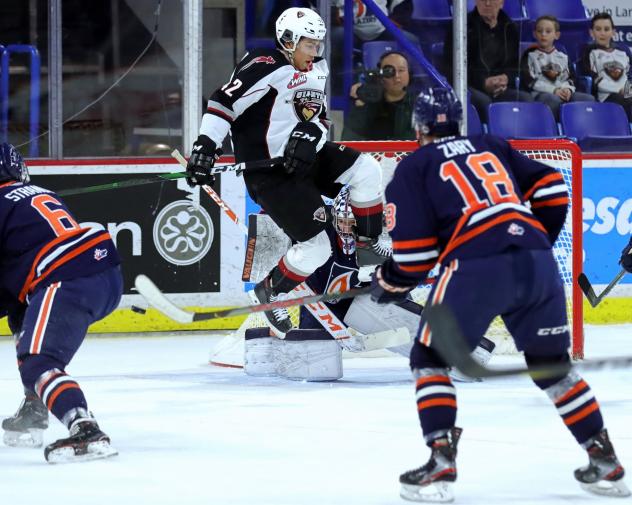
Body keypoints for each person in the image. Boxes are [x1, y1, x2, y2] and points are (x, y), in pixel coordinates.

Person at [369, 87, 629, 501]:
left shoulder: (414, 167)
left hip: (476, 266)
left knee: (430, 358)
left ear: (417, 127)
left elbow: (416, 258)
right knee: (552, 367)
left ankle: (440, 464)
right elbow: (551, 187)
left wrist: (389, 282)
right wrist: (536, 239)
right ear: (459, 122)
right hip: (538, 262)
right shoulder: (490, 143)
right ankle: (605, 460)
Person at [185, 7, 386, 338]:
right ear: (289, 40)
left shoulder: (316, 69)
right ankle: (271, 294)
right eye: (309, 44)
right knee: (316, 249)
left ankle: (367, 249)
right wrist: (206, 146)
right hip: (270, 173)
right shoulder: (265, 63)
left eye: (319, 44)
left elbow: (318, 120)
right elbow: (223, 102)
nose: (316, 51)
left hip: (309, 161)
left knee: (367, 170)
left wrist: (312, 137)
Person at [0, 143, 123, 463]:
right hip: (103, 271)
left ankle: (85, 429)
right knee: (23, 316)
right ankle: (35, 404)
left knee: (38, 362)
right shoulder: (34, 194)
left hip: (65, 276)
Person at [443, 0, 533, 123]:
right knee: (484, 102)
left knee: (526, 100)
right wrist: (483, 83)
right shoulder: (461, 25)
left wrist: (506, 78)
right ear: (476, 2)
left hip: (500, 87)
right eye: (483, 0)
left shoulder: (510, 27)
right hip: (471, 85)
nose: (487, 3)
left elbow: (514, 65)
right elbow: (452, 66)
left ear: (501, 3)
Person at [520, 15, 595, 120]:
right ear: (534, 34)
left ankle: (580, 130)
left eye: (548, 31)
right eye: (539, 31)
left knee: (586, 99)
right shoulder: (529, 55)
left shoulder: (563, 57)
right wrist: (554, 90)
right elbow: (529, 81)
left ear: (557, 35)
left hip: (562, 91)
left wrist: (567, 89)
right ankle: (551, 131)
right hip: (541, 94)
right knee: (552, 100)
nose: (543, 34)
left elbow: (571, 79)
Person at [342, 51, 417, 141]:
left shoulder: (419, 104)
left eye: (401, 70)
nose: (397, 76)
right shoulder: (367, 105)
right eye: (389, 71)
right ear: (381, 75)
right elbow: (349, 140)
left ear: (409, 74)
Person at [580, 12, 632, 121]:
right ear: (591, 32)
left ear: (613, 32)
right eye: (598, 29)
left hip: (628, 93)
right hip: (606, 96)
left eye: (606, 29)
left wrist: (627, 90)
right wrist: (618, 89)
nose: (602, 33)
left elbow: (630, 76)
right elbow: (593, 79)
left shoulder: (623, 52)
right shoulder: (588, 52)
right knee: (626, 100)